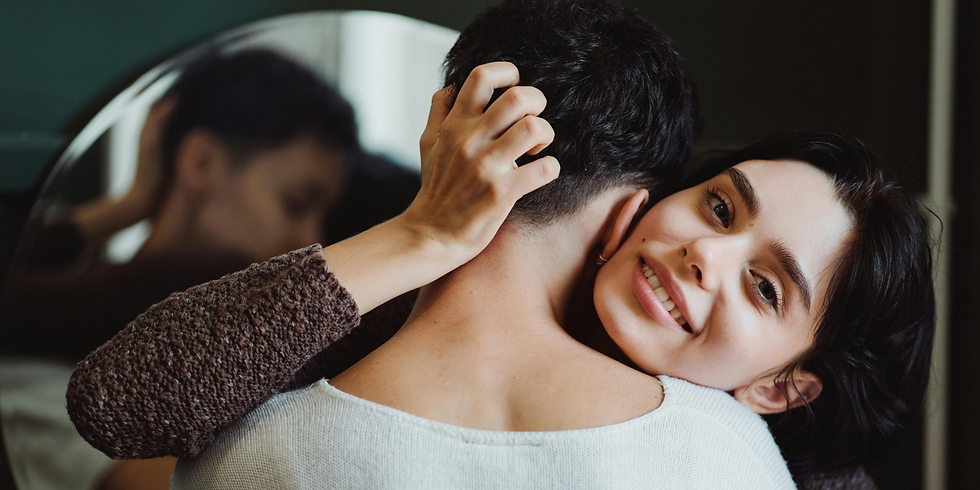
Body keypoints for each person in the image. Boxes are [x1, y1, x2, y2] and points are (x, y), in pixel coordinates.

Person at [0, 48, 371, 490]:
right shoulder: (43, 371)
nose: (313, 241)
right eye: (295, 203)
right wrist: (127, 205)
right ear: (201, 161)